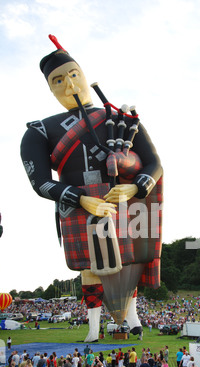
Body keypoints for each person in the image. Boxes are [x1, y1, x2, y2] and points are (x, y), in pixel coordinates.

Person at [21, 35, 163, 342]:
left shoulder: (120, 118)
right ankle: (94, 327)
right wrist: (82, 199)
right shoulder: (40, 130)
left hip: (119, 199)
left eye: (73, 74)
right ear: (51, 88)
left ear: (84, 75)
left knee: (128, 261)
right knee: (91, 267)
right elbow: (41, 182)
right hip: (77, 206)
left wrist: (133, 190)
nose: (69, 84)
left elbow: (154, 165)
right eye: (58, 80)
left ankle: (132, 316)